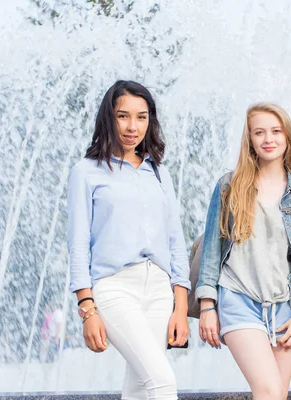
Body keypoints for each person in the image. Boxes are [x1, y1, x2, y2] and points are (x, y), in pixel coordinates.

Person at [67, 80, 190, 399]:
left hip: (160, 290)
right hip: (114, 287)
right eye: (123, 116)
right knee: (163, 381)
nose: (132, 126)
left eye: (142, 117)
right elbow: (78, 244)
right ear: (109, 118)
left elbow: (176, 240)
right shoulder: (86, 171)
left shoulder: (159, 171)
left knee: (139, 387)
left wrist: (181, 304)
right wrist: (87, 308)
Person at [196, 103, 291, 400]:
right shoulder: (230, 186)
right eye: (259, 132)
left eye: (276, 131)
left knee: (277, 395)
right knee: (267, 390)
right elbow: (212, 248)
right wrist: (207, 305)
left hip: (287, 307)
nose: (268, 138)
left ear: (287, 137)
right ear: (250, 139)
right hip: (238, 298)